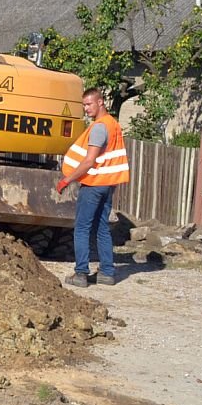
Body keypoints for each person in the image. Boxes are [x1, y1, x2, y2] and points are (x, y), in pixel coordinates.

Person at [55, 87, 131, 287]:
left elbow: (89, 161)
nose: (86, 109)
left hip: (93, 185)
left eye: (88, 104)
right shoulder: (113, 124)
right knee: (101, 228)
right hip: (107, 185)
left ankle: (80, 274)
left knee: (82, 228)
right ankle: (107, 272)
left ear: (100, 102)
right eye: (84, 105)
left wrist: (66, 180)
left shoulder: (99, 128)